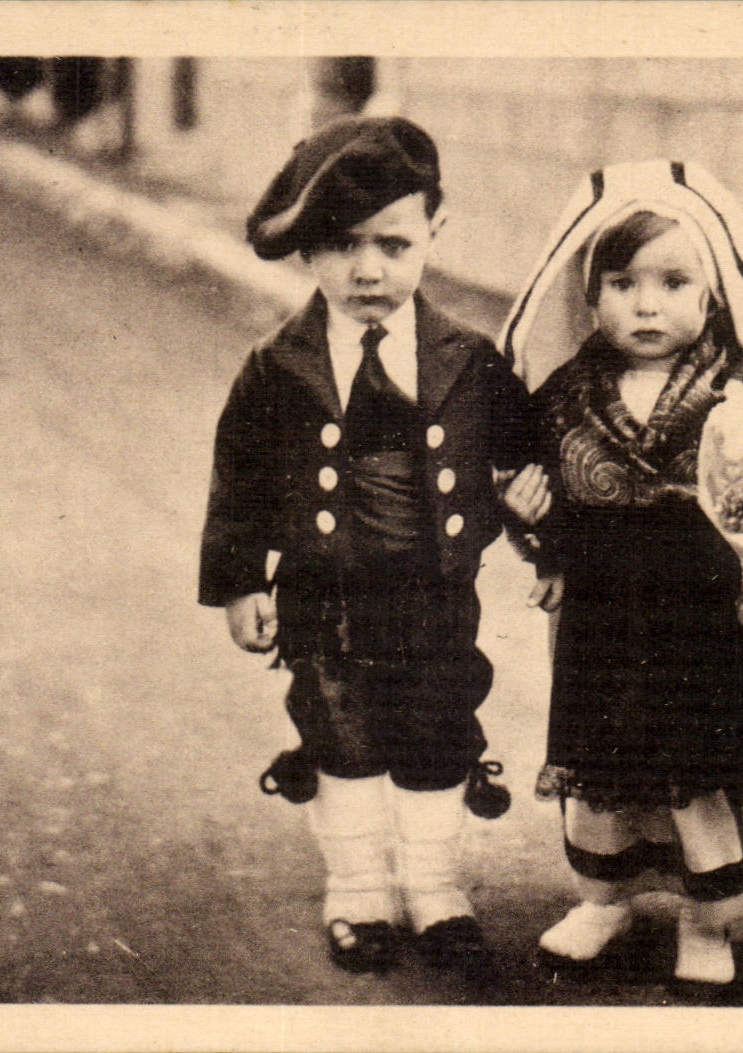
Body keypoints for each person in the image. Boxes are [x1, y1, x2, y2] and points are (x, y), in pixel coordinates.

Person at [499, 160, 743, 985]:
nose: (646, 303)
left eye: (673, 281)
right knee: (604, 762)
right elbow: (540, 488)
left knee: (697, 765)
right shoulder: (566, 396)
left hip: (700, 615)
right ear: (591, 294)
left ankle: (707, 917)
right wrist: (534, 520)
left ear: (712, 295)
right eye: (621, 282)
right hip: (604, 613)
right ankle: (603, 896)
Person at [199, 115, 543, 977]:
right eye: (341, 244)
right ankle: (357, 889)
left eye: (393, 243)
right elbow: (238, 478)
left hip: (433, 594)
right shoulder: (278, 367)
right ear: (308, 252)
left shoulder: (469, 359)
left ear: (436, 232)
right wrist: (242, 581)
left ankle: (433, 889)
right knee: (340, 734)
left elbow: (525, 452)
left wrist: (538, 518)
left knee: (435, 731)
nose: (367, 269)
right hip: (326, 595)